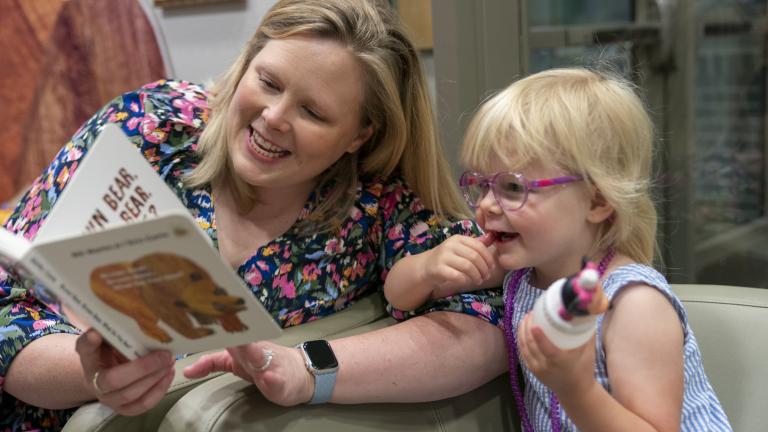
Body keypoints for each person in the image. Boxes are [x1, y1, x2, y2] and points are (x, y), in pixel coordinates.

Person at [0, 1, 507, 430]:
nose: (273, 118)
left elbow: (488, 329)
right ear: (245, 65)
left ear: (358, 136)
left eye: (313, 113)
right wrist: (87, 372)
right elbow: (8, 299)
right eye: (267, 82)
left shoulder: (376, 208)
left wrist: (309, 370)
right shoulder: (150, 127)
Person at [385, 68, 732, 431]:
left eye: (513, 188)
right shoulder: (518, 265)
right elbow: (399, 297)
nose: (485, 205)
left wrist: (575, 387)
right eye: (480, 184)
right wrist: (427, 268)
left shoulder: (632, 304)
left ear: (597, 201)